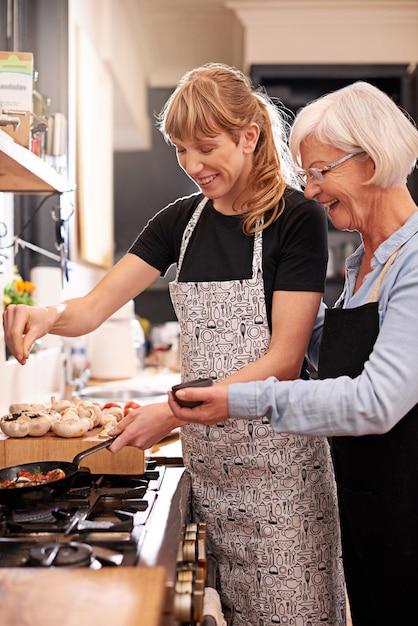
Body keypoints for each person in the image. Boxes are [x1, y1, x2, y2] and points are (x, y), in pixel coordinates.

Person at [3, 63, 345, 625]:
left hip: (283, 479)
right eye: (180, 150)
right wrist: (44, 313)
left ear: (249, 136)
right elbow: (89, 310)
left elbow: (283, 362)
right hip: (211, 475)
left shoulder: (296, 219)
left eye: (205, 148)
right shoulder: (178, 224)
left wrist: (173, 411)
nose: (192, 166)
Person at [167, 80, 418, 626]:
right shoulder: (360, 267)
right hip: (369, 506)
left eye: (321, 171)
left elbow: (375, 402)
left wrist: (239, 400)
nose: (312, 190)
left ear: (371, 162)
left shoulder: (415, 262)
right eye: (306, 173)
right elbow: (319, 348)